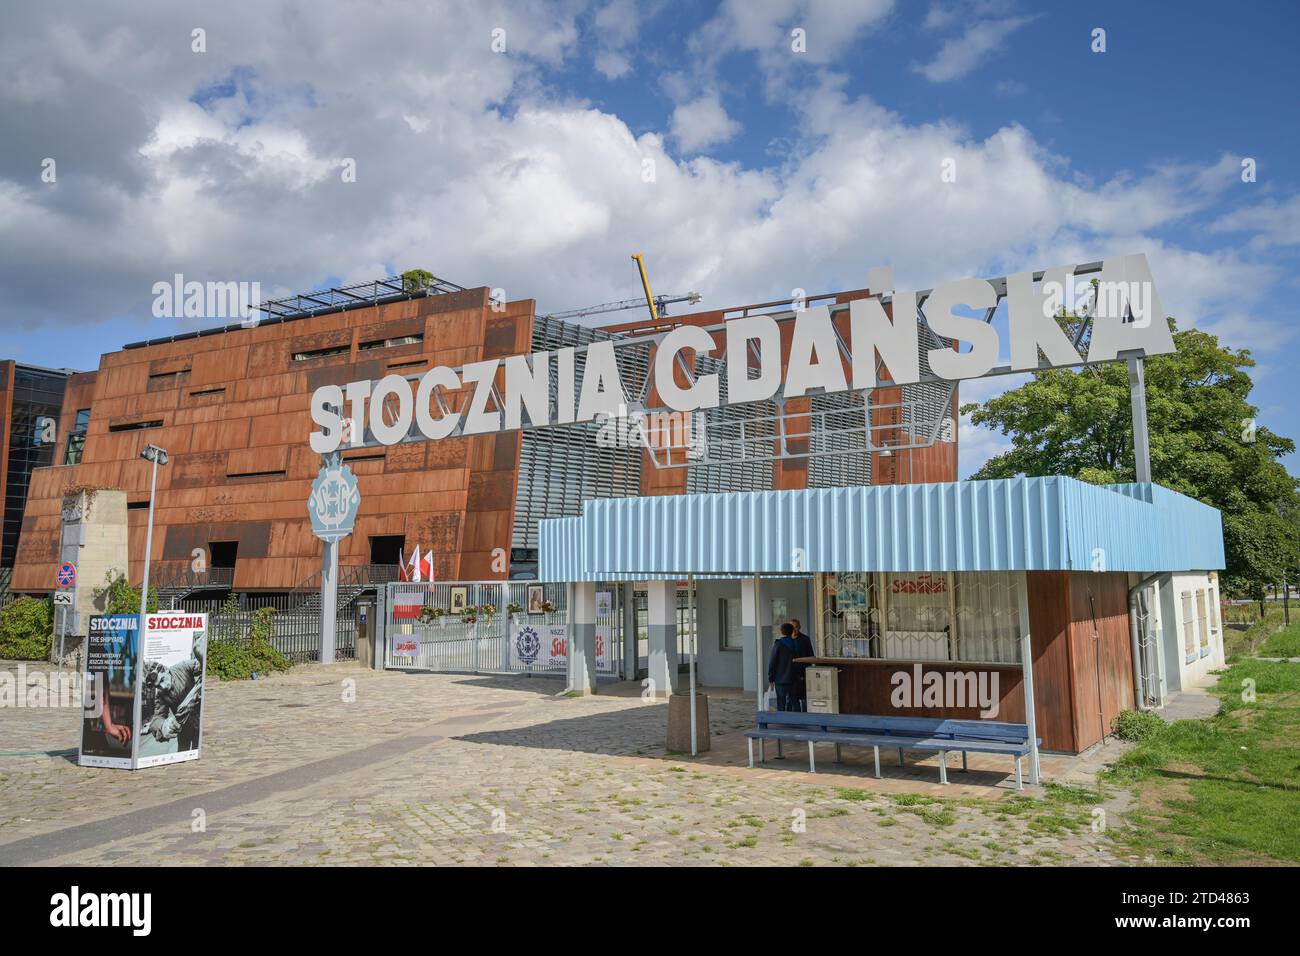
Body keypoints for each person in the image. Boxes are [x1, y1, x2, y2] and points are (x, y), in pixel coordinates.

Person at [767, 622, 800, 711]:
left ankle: (781, 722)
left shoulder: (778, 644)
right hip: (794, 678)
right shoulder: (796, 644)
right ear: (792, 631)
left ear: (782, 632)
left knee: (781, 702)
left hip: (780, 679)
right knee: (795, 702)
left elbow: (772, 662)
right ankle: (798, 721)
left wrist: (771, 678)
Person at [791, 618, 814, 711]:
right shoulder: (784, 641)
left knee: (805, 697)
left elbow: (810, 656)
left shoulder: (805, 639)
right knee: (792, 699)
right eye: (792, 627)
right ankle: (795, 719)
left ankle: (805, 717)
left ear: (799, 627)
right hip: (790, 674)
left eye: (796, 627)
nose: (794, 629)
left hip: (803, 673)